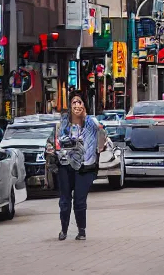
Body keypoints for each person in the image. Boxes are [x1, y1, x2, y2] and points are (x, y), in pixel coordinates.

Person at [49, 92, 102, 240]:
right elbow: (56, 140)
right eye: (74, 102)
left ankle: (81, 231)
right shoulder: (64, 121)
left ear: (84, 105)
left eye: (80, 102)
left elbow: (102, 133)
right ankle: (64, 230)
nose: (77, 105)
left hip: (85, 167)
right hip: (65, 164)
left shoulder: (91, 121)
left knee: (79, 200)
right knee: (65, 200)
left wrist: (97, 149)